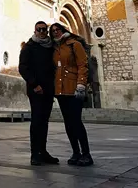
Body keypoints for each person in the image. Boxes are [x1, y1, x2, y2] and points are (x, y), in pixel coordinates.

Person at [49, 23, 93, 167]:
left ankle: (86, 154)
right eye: (53, 31)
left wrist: (81, 84)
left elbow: (83, 64)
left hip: (75, 89)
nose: (55, 32)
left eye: (58, 30)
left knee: (76, 121)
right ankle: (76, 152)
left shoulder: (74, 44)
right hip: (61, 91)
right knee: (68, 122)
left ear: (63, 30)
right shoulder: (54, 48)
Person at [19, 21, 59, 166]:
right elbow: (23, 68)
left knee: (44, 121)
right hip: (36, 90)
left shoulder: (51, 46)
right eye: (39, 29)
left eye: (44, 30)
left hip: (48, 89)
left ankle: (43, 151)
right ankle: (34, 154)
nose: (42, 32)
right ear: (35, 30)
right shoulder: (29, 47)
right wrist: (34, 84)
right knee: (36, 121)